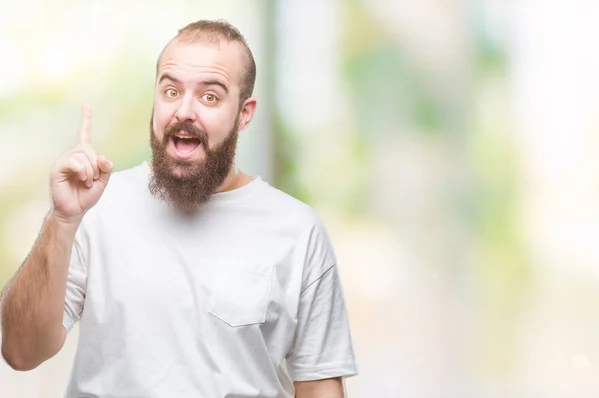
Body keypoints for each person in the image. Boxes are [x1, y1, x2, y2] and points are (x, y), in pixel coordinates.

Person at [0, 19, 357, 397]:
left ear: (245, 113)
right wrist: (61, 220)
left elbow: (319, 387)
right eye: (171, 91)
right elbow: (20, 351)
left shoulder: (298, 230)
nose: (184, 111)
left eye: (210, 97)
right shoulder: (96, 208)